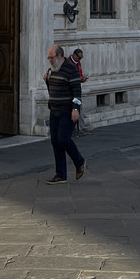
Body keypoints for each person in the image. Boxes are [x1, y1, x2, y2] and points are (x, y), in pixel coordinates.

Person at [44, 44, 86, 183]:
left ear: (60, 56)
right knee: (55, 142)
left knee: (63, 139)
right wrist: (47, 81)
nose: (50, 60)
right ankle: (60, 174)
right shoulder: (53, 70)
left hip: (67, 111)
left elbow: (77, 92)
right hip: (54, 110)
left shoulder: (71, 70)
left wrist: (75, 109)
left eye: (52, 57)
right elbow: (53, 91)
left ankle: (79, 161)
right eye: (49, 58)